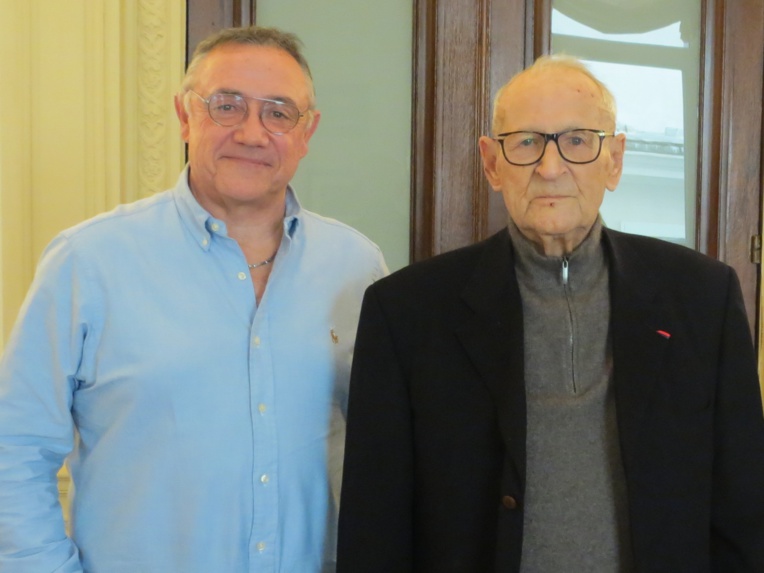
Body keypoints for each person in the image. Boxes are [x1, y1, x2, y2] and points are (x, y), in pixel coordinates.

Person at [336, 54, 764, 572]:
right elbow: (374, 525)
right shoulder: (405, 312)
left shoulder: (702, 296)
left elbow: (743, 505)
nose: (550, 167)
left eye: (578, 140)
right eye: (526, 142)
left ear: (616, 160)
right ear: (492, 163)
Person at [0, 26, 386, 572]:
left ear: (307, 132)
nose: (252, 133)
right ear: (185, 116)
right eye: (227, 106)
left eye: (279, 113)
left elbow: (387, 451)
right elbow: (13, 449)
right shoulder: (88, 263)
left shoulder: (357, 267)